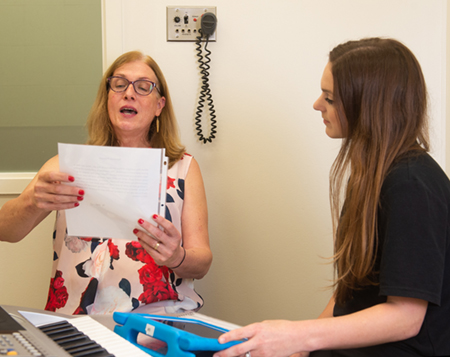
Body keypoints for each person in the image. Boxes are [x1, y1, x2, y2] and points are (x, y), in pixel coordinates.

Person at [213, 38, 450, 357]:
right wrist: (301, 348)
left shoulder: (410, 183)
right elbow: (349, 292)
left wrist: (299, 336)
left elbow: (405, 318)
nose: (316, 105)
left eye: (329, 98)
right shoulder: (370, 175)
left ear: (366, 106)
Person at [0, 51, 212, 315]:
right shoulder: (67, 165)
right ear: (107, 99)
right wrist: (32, 201)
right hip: (75, 320)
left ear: (159, 106)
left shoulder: (183, 168)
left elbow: (202, 263)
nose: (129, 93)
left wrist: (176, 257)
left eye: (144, 87)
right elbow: (5, 231)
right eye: (119, 84)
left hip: (156, 320)